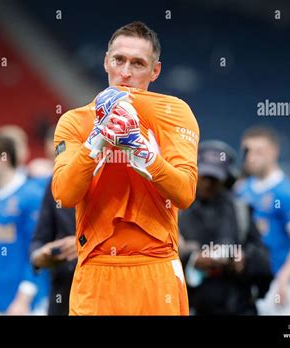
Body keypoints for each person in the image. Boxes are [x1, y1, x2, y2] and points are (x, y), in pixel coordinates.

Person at [52, 21, 199, 315]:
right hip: (96, 271)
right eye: (119, 60)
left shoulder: (174, 111)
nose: (125, 72)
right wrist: (96, 141)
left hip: (155, 268)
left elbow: (184, 194)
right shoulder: (74, 121)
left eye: (138, 63)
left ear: (154, 71)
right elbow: (64, 195)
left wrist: (142, 152)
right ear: (107, 61)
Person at [179, 140, 272, 315]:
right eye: (204, 177)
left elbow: (263, 259)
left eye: (214, 179)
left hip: (237, 305)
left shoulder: (241, 210)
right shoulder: (176, 210)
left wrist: (245, 260)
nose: (207, 184)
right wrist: (192, 259)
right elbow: (161, 257)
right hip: (192, 305)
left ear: (226, 179)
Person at [0, 134, 50, 315]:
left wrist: (24, 297)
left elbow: (38, 251)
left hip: (23, 305)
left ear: (2, 159)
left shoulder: (32, 196)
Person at [236, 126, 290, 315]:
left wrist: (285, 277)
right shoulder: (241, 190)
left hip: (279, 284)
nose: (251, 157)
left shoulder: (287, 193)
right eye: (247, 151)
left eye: (259, 151)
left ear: (274, 152)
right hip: (249, 281)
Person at [30, 176, 76, 315]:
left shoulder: (117, 174)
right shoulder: (56, 181)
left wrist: (83, 244)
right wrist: (39, 256)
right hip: (63, 294)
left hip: (106, 293)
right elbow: (40, 239)